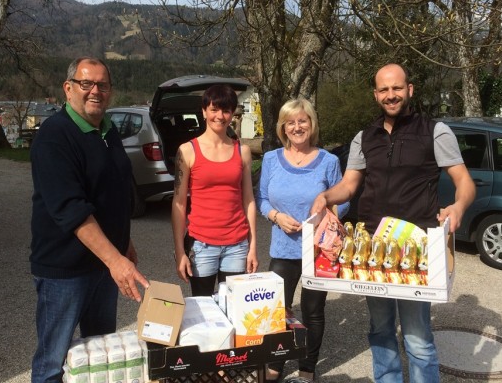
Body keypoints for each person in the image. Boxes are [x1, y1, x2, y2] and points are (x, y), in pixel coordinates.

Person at [311, 63, 476, 382]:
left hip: (416, 249)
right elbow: (349, 185)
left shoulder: (435, 131)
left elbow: (464, 180)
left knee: (417, 337)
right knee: (381, 330)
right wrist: (327, 197)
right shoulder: (364, 137)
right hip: (374, 249)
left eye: (397, 88)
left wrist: (458, 206)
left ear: (410, 90)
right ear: (375, 95)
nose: (391, 95)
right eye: (384, 90)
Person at [30, 57, 150, 383]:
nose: (95, 90)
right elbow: (71, 208)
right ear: (69, 89)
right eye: (87, 83)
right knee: (52, 362)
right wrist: (117, 261)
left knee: (100, 358)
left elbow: (111, 194)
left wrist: (124, 242)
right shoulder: (54, 136)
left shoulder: (107, 130)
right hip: (64, 272)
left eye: (102, 84)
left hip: (103, 267)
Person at [256, 98, 349, 382]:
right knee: (277, 313)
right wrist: (275, 216)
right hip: (283, 250)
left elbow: (342, 201)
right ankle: (275, 368)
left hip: (318, 252)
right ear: (283, 127)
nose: (297, 127)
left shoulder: (329, 161)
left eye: (303, 120)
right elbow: (260, 199)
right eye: (291, 122)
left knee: (313, 312)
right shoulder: (271, 159)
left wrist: (325, 218)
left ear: (312, 124)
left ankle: (307, 371)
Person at [172, 84, 258, 296]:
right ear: (203, 111)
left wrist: (253, 245)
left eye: (226, 110)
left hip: (237, 245)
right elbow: (179, 203)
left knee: (235, 311)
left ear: (232, 114)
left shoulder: (243, 151)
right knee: (203, 309)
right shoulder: (187, 151)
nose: (220, 116)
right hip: (201, 246)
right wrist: (179, 251)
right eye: (214, 109)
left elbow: (248, 200)